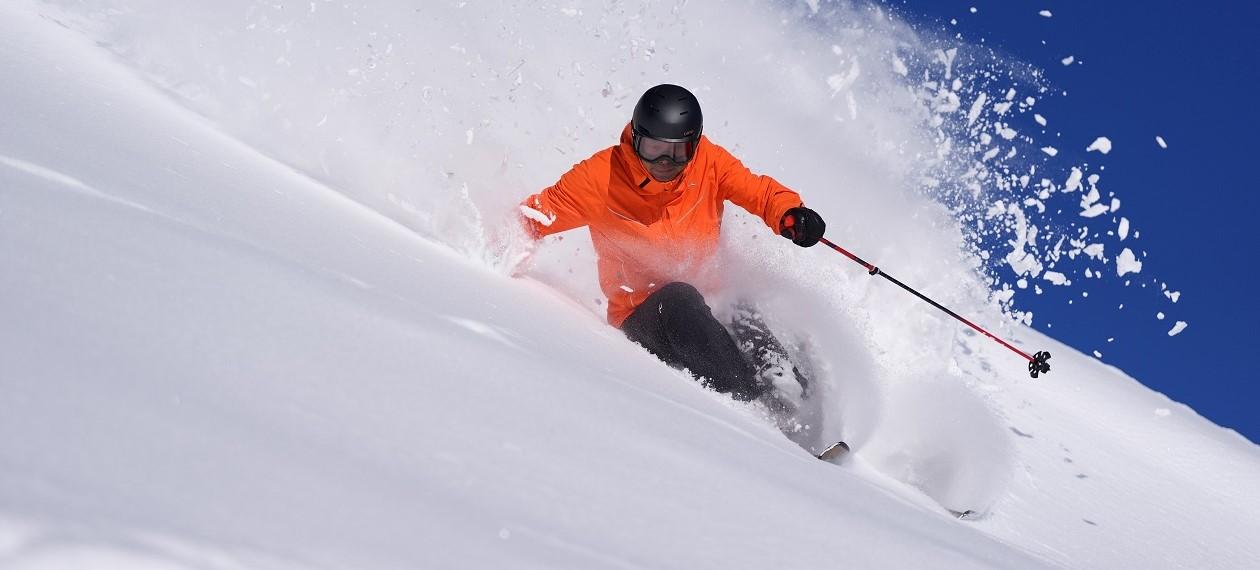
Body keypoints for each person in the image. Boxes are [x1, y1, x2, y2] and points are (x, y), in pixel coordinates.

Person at [520, 84, 826, 405]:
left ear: (694, 146)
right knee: (680, 296)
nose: (665, 161)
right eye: (653, 148)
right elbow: (536, 217)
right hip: (644, 315)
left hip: (709, 299)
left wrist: (790, 213)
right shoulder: (600, 178)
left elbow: (759, 192)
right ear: (635, 138)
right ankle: (750, 406)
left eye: (678, 151)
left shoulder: (708, 162)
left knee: (736, 303)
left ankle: (791, 393)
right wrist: (494, 247)